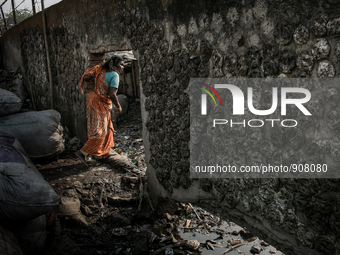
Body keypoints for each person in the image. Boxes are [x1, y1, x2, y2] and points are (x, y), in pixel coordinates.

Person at [75, 55, 124, 166]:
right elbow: (112, 94)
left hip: (91, 99)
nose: (123, 67)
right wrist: (118, 107)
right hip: (99, 103)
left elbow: (86, 77)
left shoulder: (99, 70)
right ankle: (82, 153)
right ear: (115, 65)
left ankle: (104, 152)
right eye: (121, 64)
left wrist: (94, 78)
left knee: (103, 127)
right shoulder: (115, 75)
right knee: (100, 131)